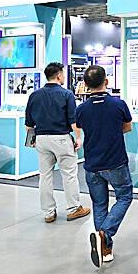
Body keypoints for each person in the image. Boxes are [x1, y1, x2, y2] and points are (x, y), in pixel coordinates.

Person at [75, 65, 134, 268]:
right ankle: (105, 234)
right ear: (106, 82)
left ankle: (105, 249)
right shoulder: (118, 104)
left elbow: (81, 128)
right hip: (115, 161)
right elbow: (127, 127)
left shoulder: (81, 109)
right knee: (124, 196)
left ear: (85, 84)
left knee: (99, 205)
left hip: (91, 163)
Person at [25, 62, 90, 224]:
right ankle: (73, 209)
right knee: (69, 174)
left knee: (45, 175)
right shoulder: (67, 94)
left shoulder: (34, 95)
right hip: (61, 138)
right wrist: (78, 138)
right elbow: (73, 121)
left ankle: (48, 213)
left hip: (41, 139)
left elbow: (28, 124)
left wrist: (31, 140)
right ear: (59, 75)